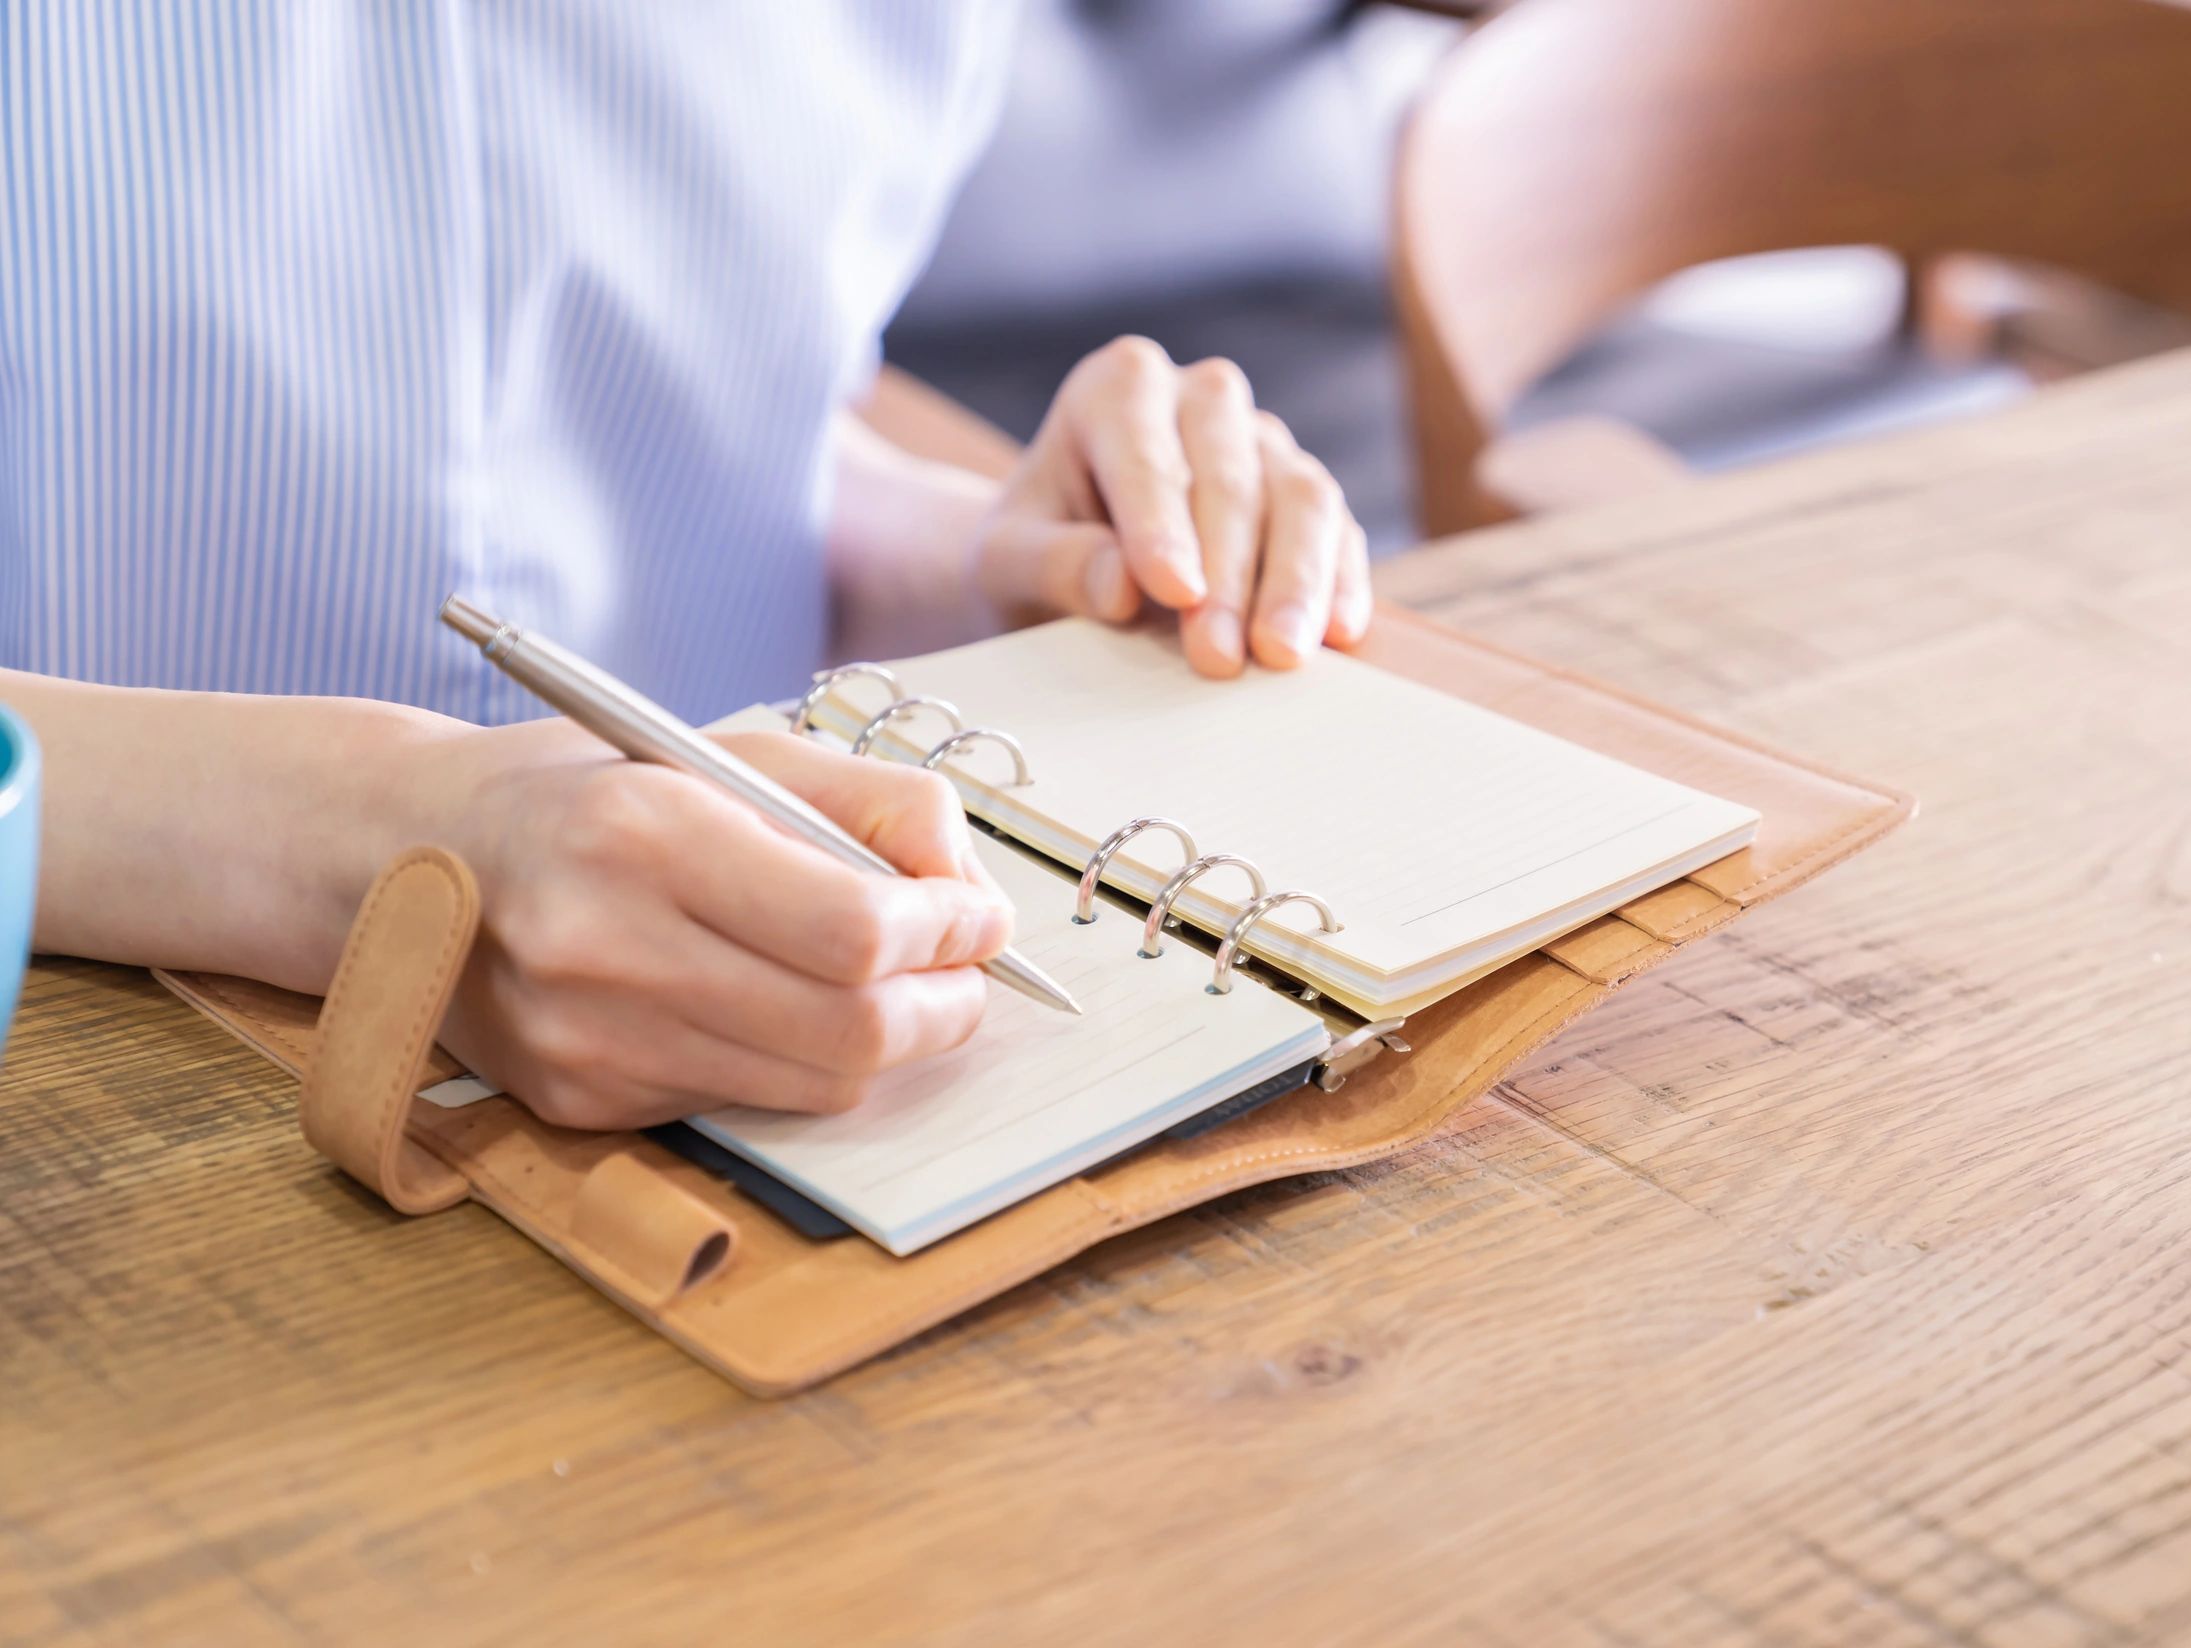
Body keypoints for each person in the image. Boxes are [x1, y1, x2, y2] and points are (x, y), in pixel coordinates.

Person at [0, 4, 1372, 1129]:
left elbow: (669, 429)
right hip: (111, 1101)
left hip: (761, 1073)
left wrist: (987, 563)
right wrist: (381, 849)